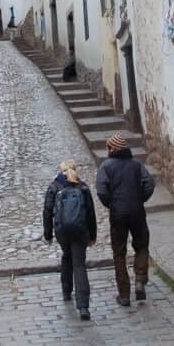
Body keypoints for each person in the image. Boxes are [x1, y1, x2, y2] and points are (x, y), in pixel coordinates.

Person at [96, 134, 155, 306]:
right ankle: (140, 280)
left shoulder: (106, 166)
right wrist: (139, 199)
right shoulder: (136, 165)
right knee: (142, 245)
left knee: (119, 253)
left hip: (118, 214)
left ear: (111, 149)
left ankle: (124, 295)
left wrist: (112, 204)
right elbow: (149, 184)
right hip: (137, 211)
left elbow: (101, 191)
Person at [43, 160, 98, 321]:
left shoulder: (54, 186)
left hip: (62, 231)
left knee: (67, 255)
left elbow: (47, 211)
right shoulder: (82, 187)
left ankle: (66, 291)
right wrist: (92, 235)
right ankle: (83, 307)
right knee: (79, 264)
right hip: (80, 230)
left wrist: (48, 234)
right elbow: (90, 213)